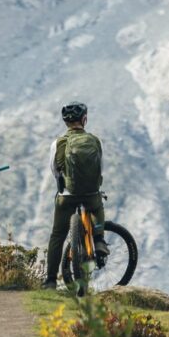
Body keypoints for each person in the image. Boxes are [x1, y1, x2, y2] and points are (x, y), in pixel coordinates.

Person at [43, 102, 107, 287]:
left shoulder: (58, 143)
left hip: (67, 196)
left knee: (57, 235)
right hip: (91, 194)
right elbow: (101, 168)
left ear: (65, 122)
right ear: (84, 119)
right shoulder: (95, 141)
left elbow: (54, 170)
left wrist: (63, 184)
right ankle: (100, 239)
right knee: (97, 205)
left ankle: (50, 281)